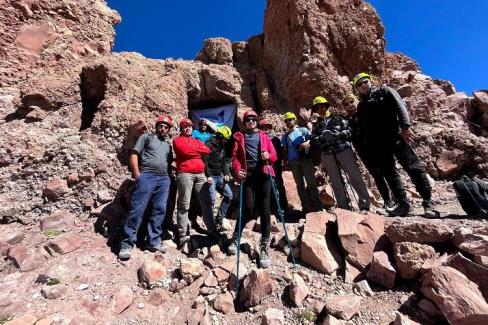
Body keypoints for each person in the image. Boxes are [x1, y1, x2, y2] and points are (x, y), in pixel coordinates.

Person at [353, 72, 439, 218]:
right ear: (357, 89)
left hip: (396, 136)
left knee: (412, 167)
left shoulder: (385, 91)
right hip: (379, 145)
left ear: (370, 81)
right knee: (390, 174)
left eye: (365, 81)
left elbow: (400, 106)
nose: (363, 85)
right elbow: (363, 128)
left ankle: (428, 201)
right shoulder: (361, 106)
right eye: (359, 84)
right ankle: (403, 204)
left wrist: (405, 126)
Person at [227, 110, 277, 269]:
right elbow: (234, 157)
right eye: (248, 120)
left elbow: (274, 156)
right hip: (247, 176)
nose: (251, 122)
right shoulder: (239, 137)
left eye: (253, 119)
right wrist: (237, 170)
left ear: (256, 121)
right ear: (244, 122)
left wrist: (269, 155)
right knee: (247, 207)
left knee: (265, 209)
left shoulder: (264, 136)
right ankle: (236, 238)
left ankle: (264, 245)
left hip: (263, 174)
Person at [119, 115, 174, 260]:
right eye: (161, 125)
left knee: (159, 209)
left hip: (163, 179)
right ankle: (126, 243)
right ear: (156, 126)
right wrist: (137, 174)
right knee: (137, 208)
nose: (163, 128)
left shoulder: (168, 145)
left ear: (168, 130)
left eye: (166, 127)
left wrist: (168, 178)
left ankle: (153, 241)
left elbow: (169, 163)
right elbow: (134, 154)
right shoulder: (147, 137)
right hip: (147, 175)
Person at [311, 96, 370, 211]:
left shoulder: (338, 118)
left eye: (322, 106)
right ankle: (343, 206)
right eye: (317, 107)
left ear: (327, 106)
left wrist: (337, 135)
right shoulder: (316, 125)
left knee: (355, 176)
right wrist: (322, 138)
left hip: (343, 150)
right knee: (335, 180)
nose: (320, 109)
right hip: (327, 154)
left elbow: (349, 131)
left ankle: (364, 204)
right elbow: (313, 140)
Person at [342, 94, 395, 212]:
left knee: (388, 172)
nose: (350, 105)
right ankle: (387, 201)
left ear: (356, 101)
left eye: (351, 102)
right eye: (346, 104)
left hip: (377, 146)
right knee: (377, 175)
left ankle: (398, 199)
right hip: (363, 151)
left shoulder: (364, 112)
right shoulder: (346, 120)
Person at [173, 118, 219, 247]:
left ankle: (212, 230)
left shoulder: (197, 140)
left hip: (200, 173)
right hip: (184, 173)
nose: (187, 128)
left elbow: (207, 151)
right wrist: (197, 151)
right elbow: (184, 151)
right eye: (184, 127)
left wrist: (194, 150)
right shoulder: (177, 140)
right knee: (184, 203)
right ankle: (183, 235)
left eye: (189, 126)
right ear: (181, 129)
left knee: (206, 203)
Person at [281, 112, 323, 213]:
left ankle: (318, 207)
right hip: (293, 162)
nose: (289, 121)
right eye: (286, 120)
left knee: (311, 184)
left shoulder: (303, 130)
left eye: (290, 119)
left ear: (294, 120)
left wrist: (307, 142)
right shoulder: (285, 136)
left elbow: (313, 140)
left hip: (305, 159)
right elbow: (284, 150)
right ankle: (306, 209)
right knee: (300, 186)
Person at [202, 126, 234, 230]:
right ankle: (210, 225)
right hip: (211, 177)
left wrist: (227, 173)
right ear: (220, 136)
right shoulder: (208, 144)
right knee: (210, 200)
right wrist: (208, 176)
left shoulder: (221, 146)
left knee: (229, 195)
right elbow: (204, 161)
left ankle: (219, 218)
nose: (226, 141)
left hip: (219, 176)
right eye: (225, 138)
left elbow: (224, 162)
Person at [258, 119, 288, 213]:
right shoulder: (259, 140)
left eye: (267, 127)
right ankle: (273, 208)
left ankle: (283, 206)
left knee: (279, 185)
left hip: (276, 166)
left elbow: (279, 153)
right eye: (264, 127)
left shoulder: (275, 140)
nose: (266, 129)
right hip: (265, 167)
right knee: (269, 187)